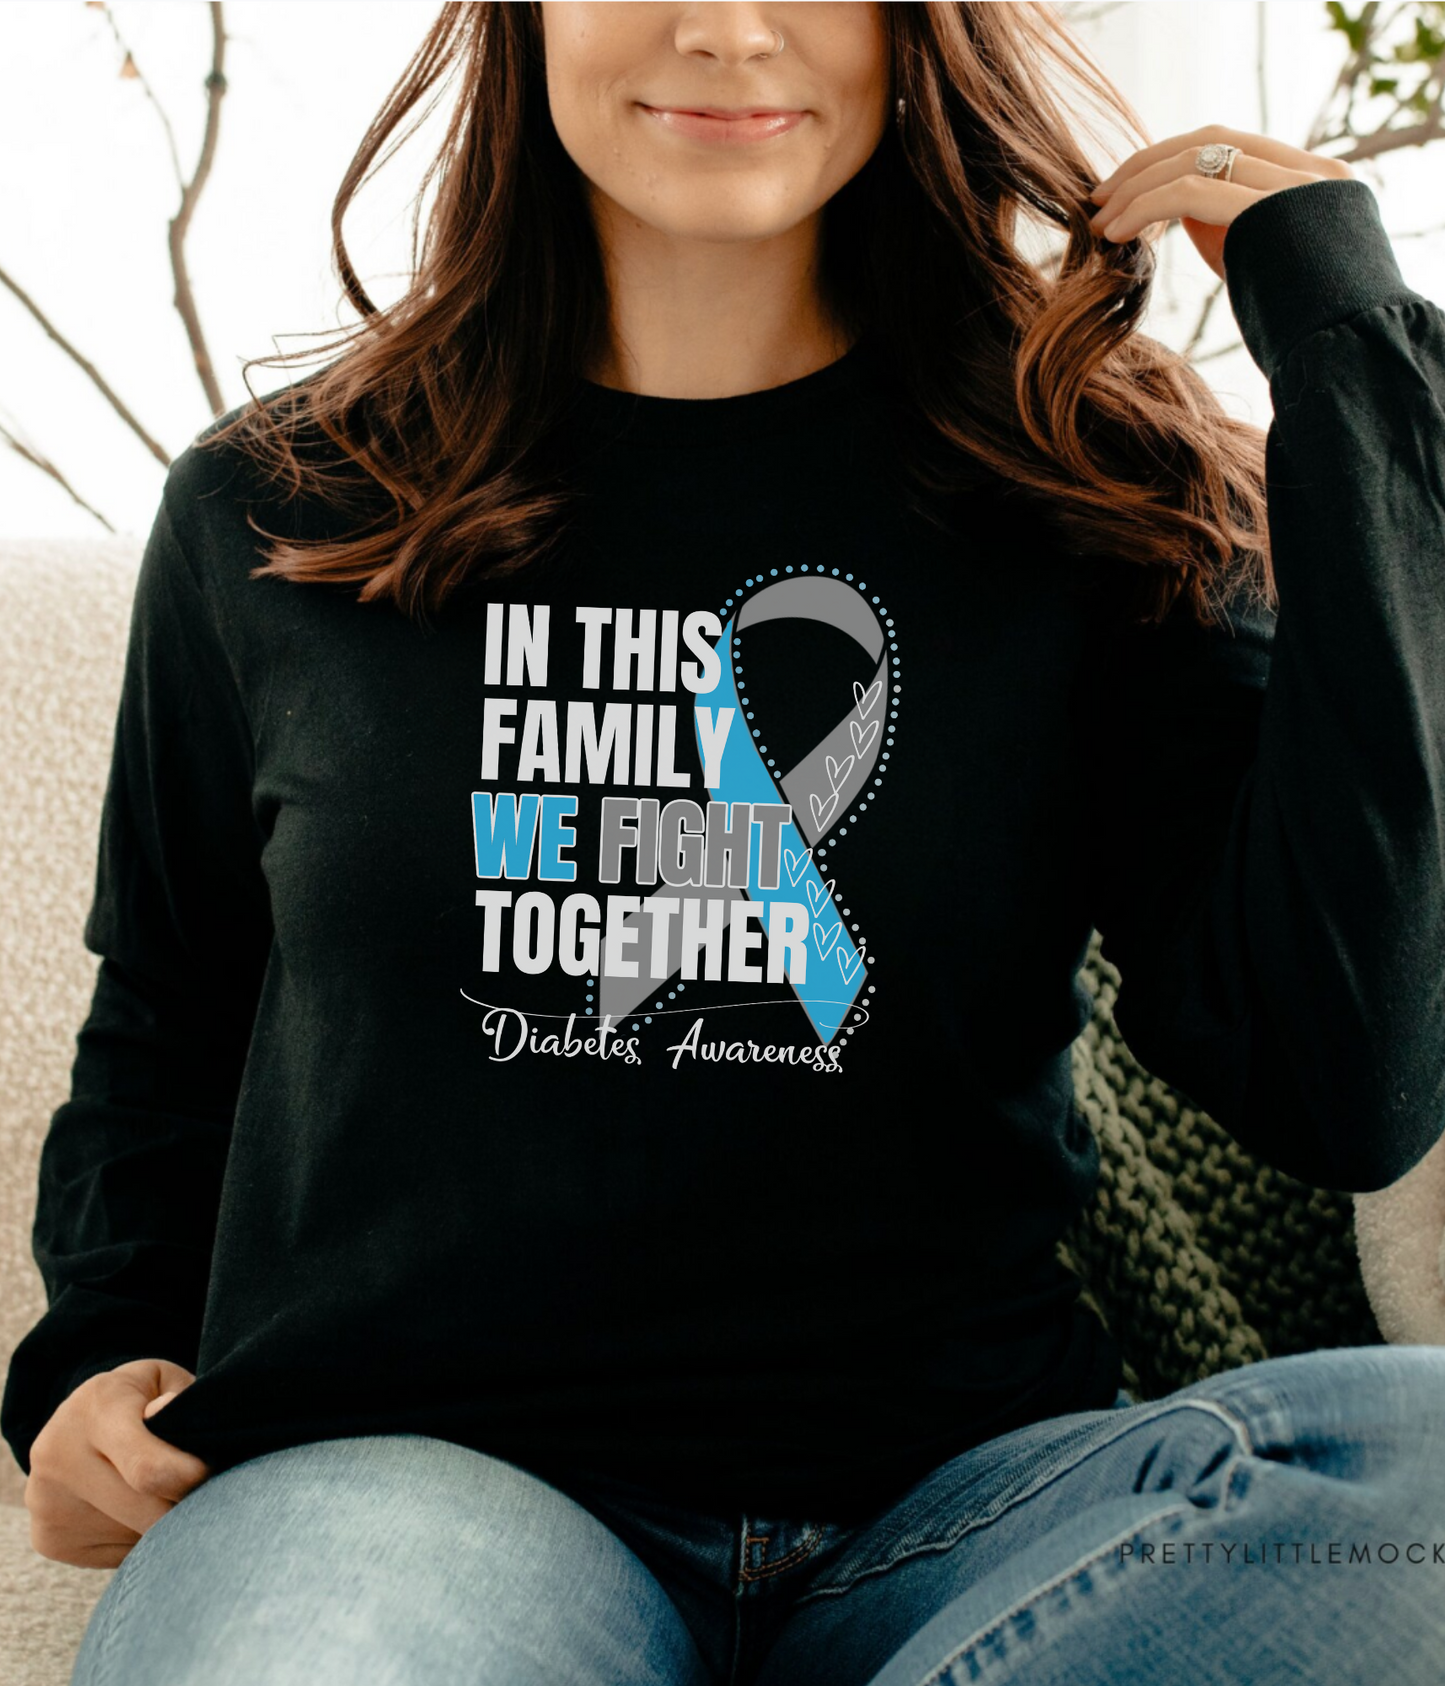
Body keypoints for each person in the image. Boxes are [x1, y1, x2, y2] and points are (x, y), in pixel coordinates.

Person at [5, 3, 1445, 1682]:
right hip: (419, 1496)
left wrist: (1350, 344)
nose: (727, 29)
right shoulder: (288, 509)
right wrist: (88, 1359)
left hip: (969, 1528)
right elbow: (173, 1015)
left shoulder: (1088, 502)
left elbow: (1353, 1074)